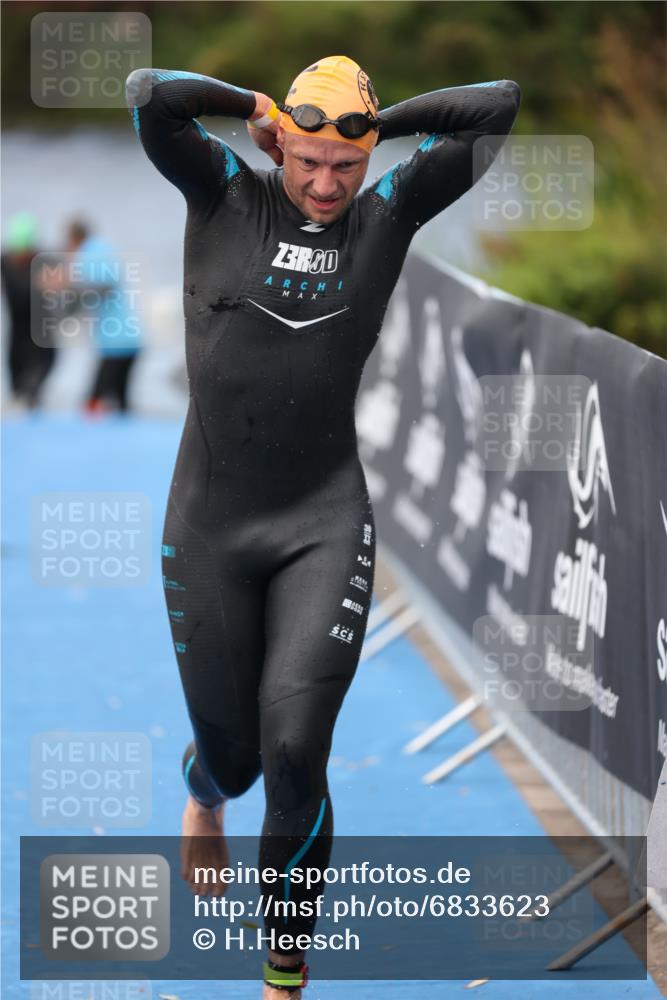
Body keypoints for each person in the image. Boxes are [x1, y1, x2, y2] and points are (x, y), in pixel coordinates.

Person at [126, 55, 520, 996]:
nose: (326, 183)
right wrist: (255, 105)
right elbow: (151, 96)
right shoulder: (223, 193)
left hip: (322, 522)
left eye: (346, 165)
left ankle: (283, 974)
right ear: (279, 148)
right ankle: (203, 794)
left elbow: (495, 107)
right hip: (210, 525)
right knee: (234, 760)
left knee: (295, 748)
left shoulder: (389, 214)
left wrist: (375, 126)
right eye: (308, 161)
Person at [64, 219, 142, 413]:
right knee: (121, 403)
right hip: (129, 337)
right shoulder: (103, 248)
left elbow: (104, 286)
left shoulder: (87, 254)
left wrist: (67, 289)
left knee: (93, 402)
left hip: (116, 343)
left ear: (72, 239)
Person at [1, 212, 54, 409]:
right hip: (17, 334)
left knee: (32, 391)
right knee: (16, 391)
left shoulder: (44, 263)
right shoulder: (5, 261)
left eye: (25, 252)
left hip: (41, 337)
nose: (20, 257)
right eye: (18, 252)